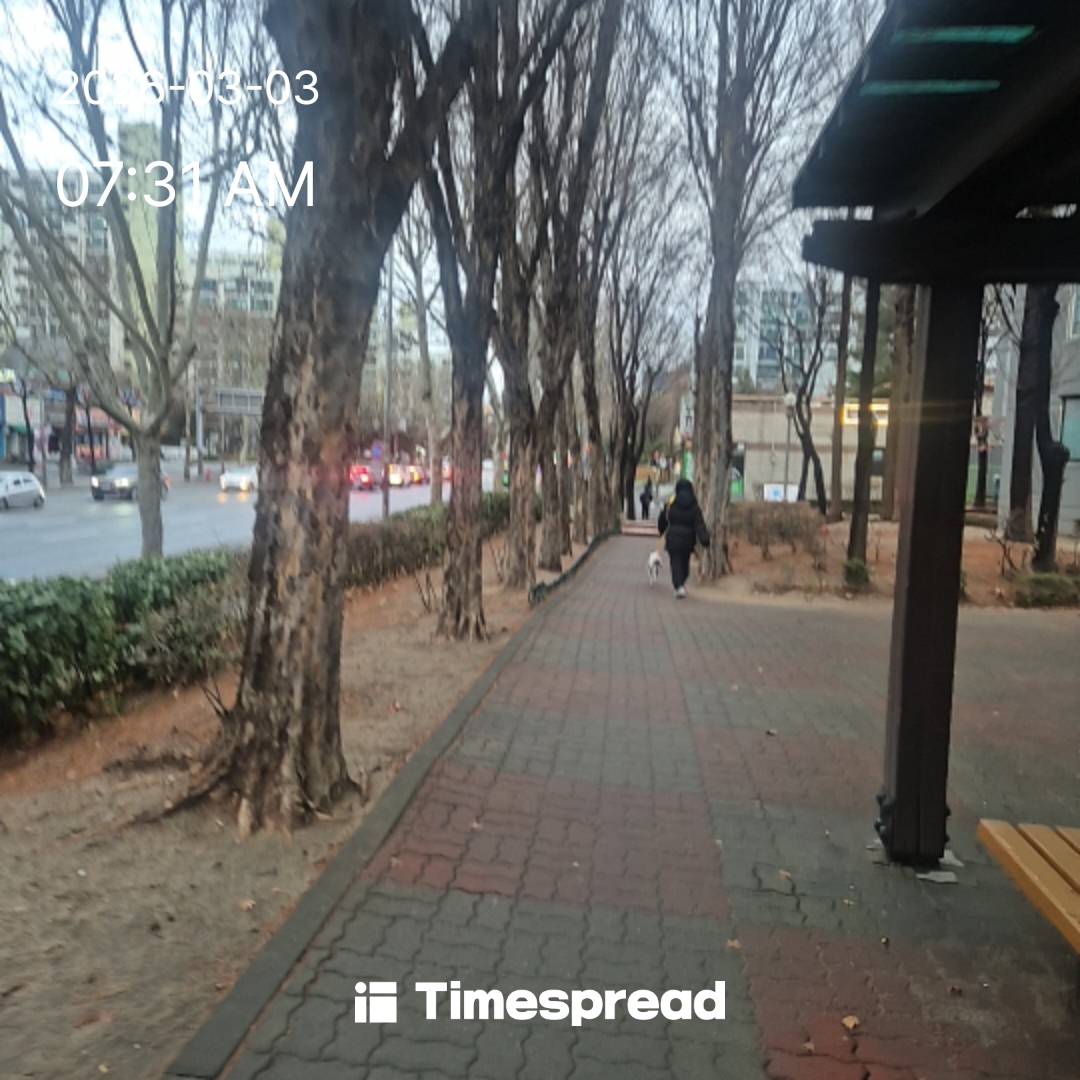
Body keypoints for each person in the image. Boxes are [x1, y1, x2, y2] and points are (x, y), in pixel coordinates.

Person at [658, 478, 710, 598]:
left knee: (675, 563)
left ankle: (678, 586)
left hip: (672, 539)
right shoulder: (694, 507)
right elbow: (699, 524)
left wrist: (661, 531)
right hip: (688, 540)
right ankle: (681, 583)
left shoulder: (671, 504)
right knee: (684, 564)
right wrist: (704, 539)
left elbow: (663, 519)